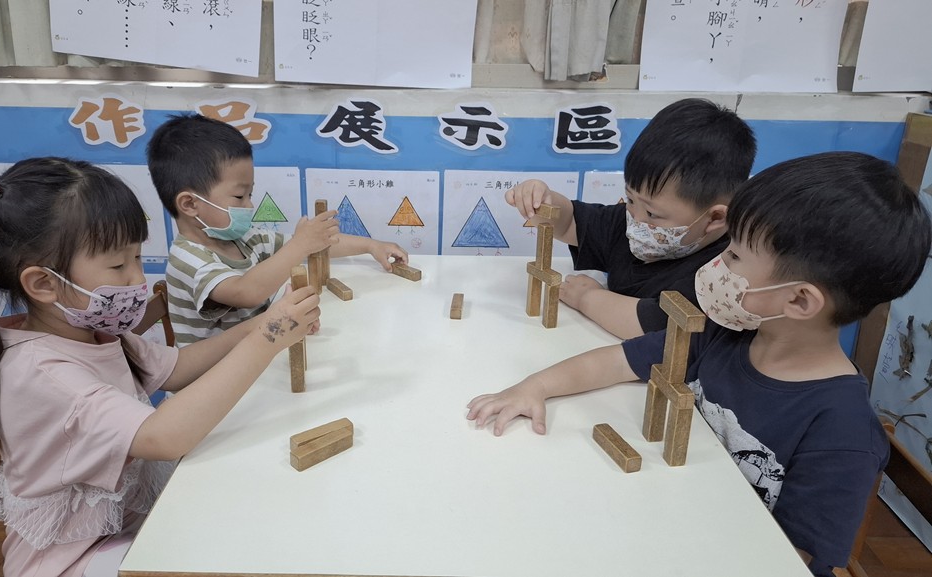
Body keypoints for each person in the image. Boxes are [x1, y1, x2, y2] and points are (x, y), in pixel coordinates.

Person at [466, 152, 931, 577]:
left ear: (799, 300)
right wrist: (534, 386)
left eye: (734, 255)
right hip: (666, 528)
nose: (716, 265)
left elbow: (794, 558)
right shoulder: (724, 333)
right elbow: (619, 361)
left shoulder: (843, 433)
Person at [0, 158, 319, 577]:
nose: (137, 280)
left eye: (136, 257)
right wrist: (268, 337)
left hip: (127, 526)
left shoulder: (94, 331)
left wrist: (261, 323)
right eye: (118, 266)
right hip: (72, 559)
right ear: (43, 284)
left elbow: (177, 367)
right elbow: (164, 437)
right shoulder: (44, 372)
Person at [147, 114, 408, 346]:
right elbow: (245, 292)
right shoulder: (188, 260)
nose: (249, 205)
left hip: (258, 357)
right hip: (213, 377)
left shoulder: (244, 238)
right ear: (190, 204)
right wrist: (300, 245)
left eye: (250, 194)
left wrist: (371, 246)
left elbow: (318, 244)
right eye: (239, 196)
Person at [508, 98, 756, 338]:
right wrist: (542, 200)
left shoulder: (723, 275)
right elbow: (570, 223)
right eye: (630, 199)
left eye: (652, 213)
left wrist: (587, 298)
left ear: (715, 218)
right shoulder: (631, 221)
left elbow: (657, 328)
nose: (635, 219)